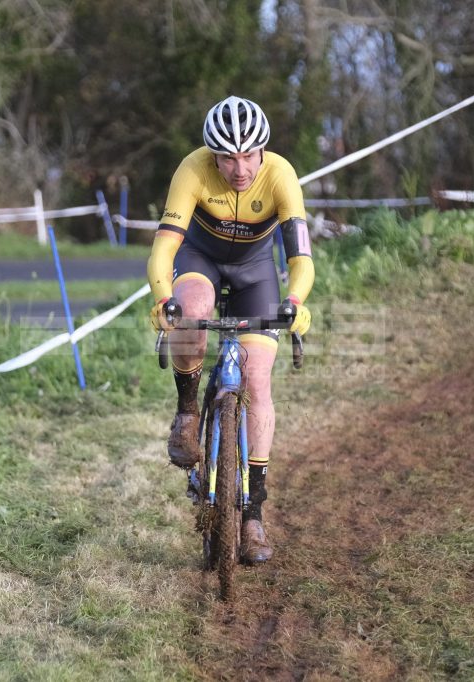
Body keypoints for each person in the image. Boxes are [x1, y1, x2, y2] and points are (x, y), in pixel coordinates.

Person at [146, 95, 314, 565]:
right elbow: (163, 251)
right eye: (227, 158)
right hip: (199, 261)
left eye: (248, 156)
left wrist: (294, 302)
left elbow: (300, 259)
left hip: (255, 272)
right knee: (191, 309)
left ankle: (253, 513)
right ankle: (187, 412)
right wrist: (163, 299)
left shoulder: (280, 175)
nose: (240, 169)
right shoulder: (192, 169)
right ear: (213, 155)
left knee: (257, 380)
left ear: (262, 150)